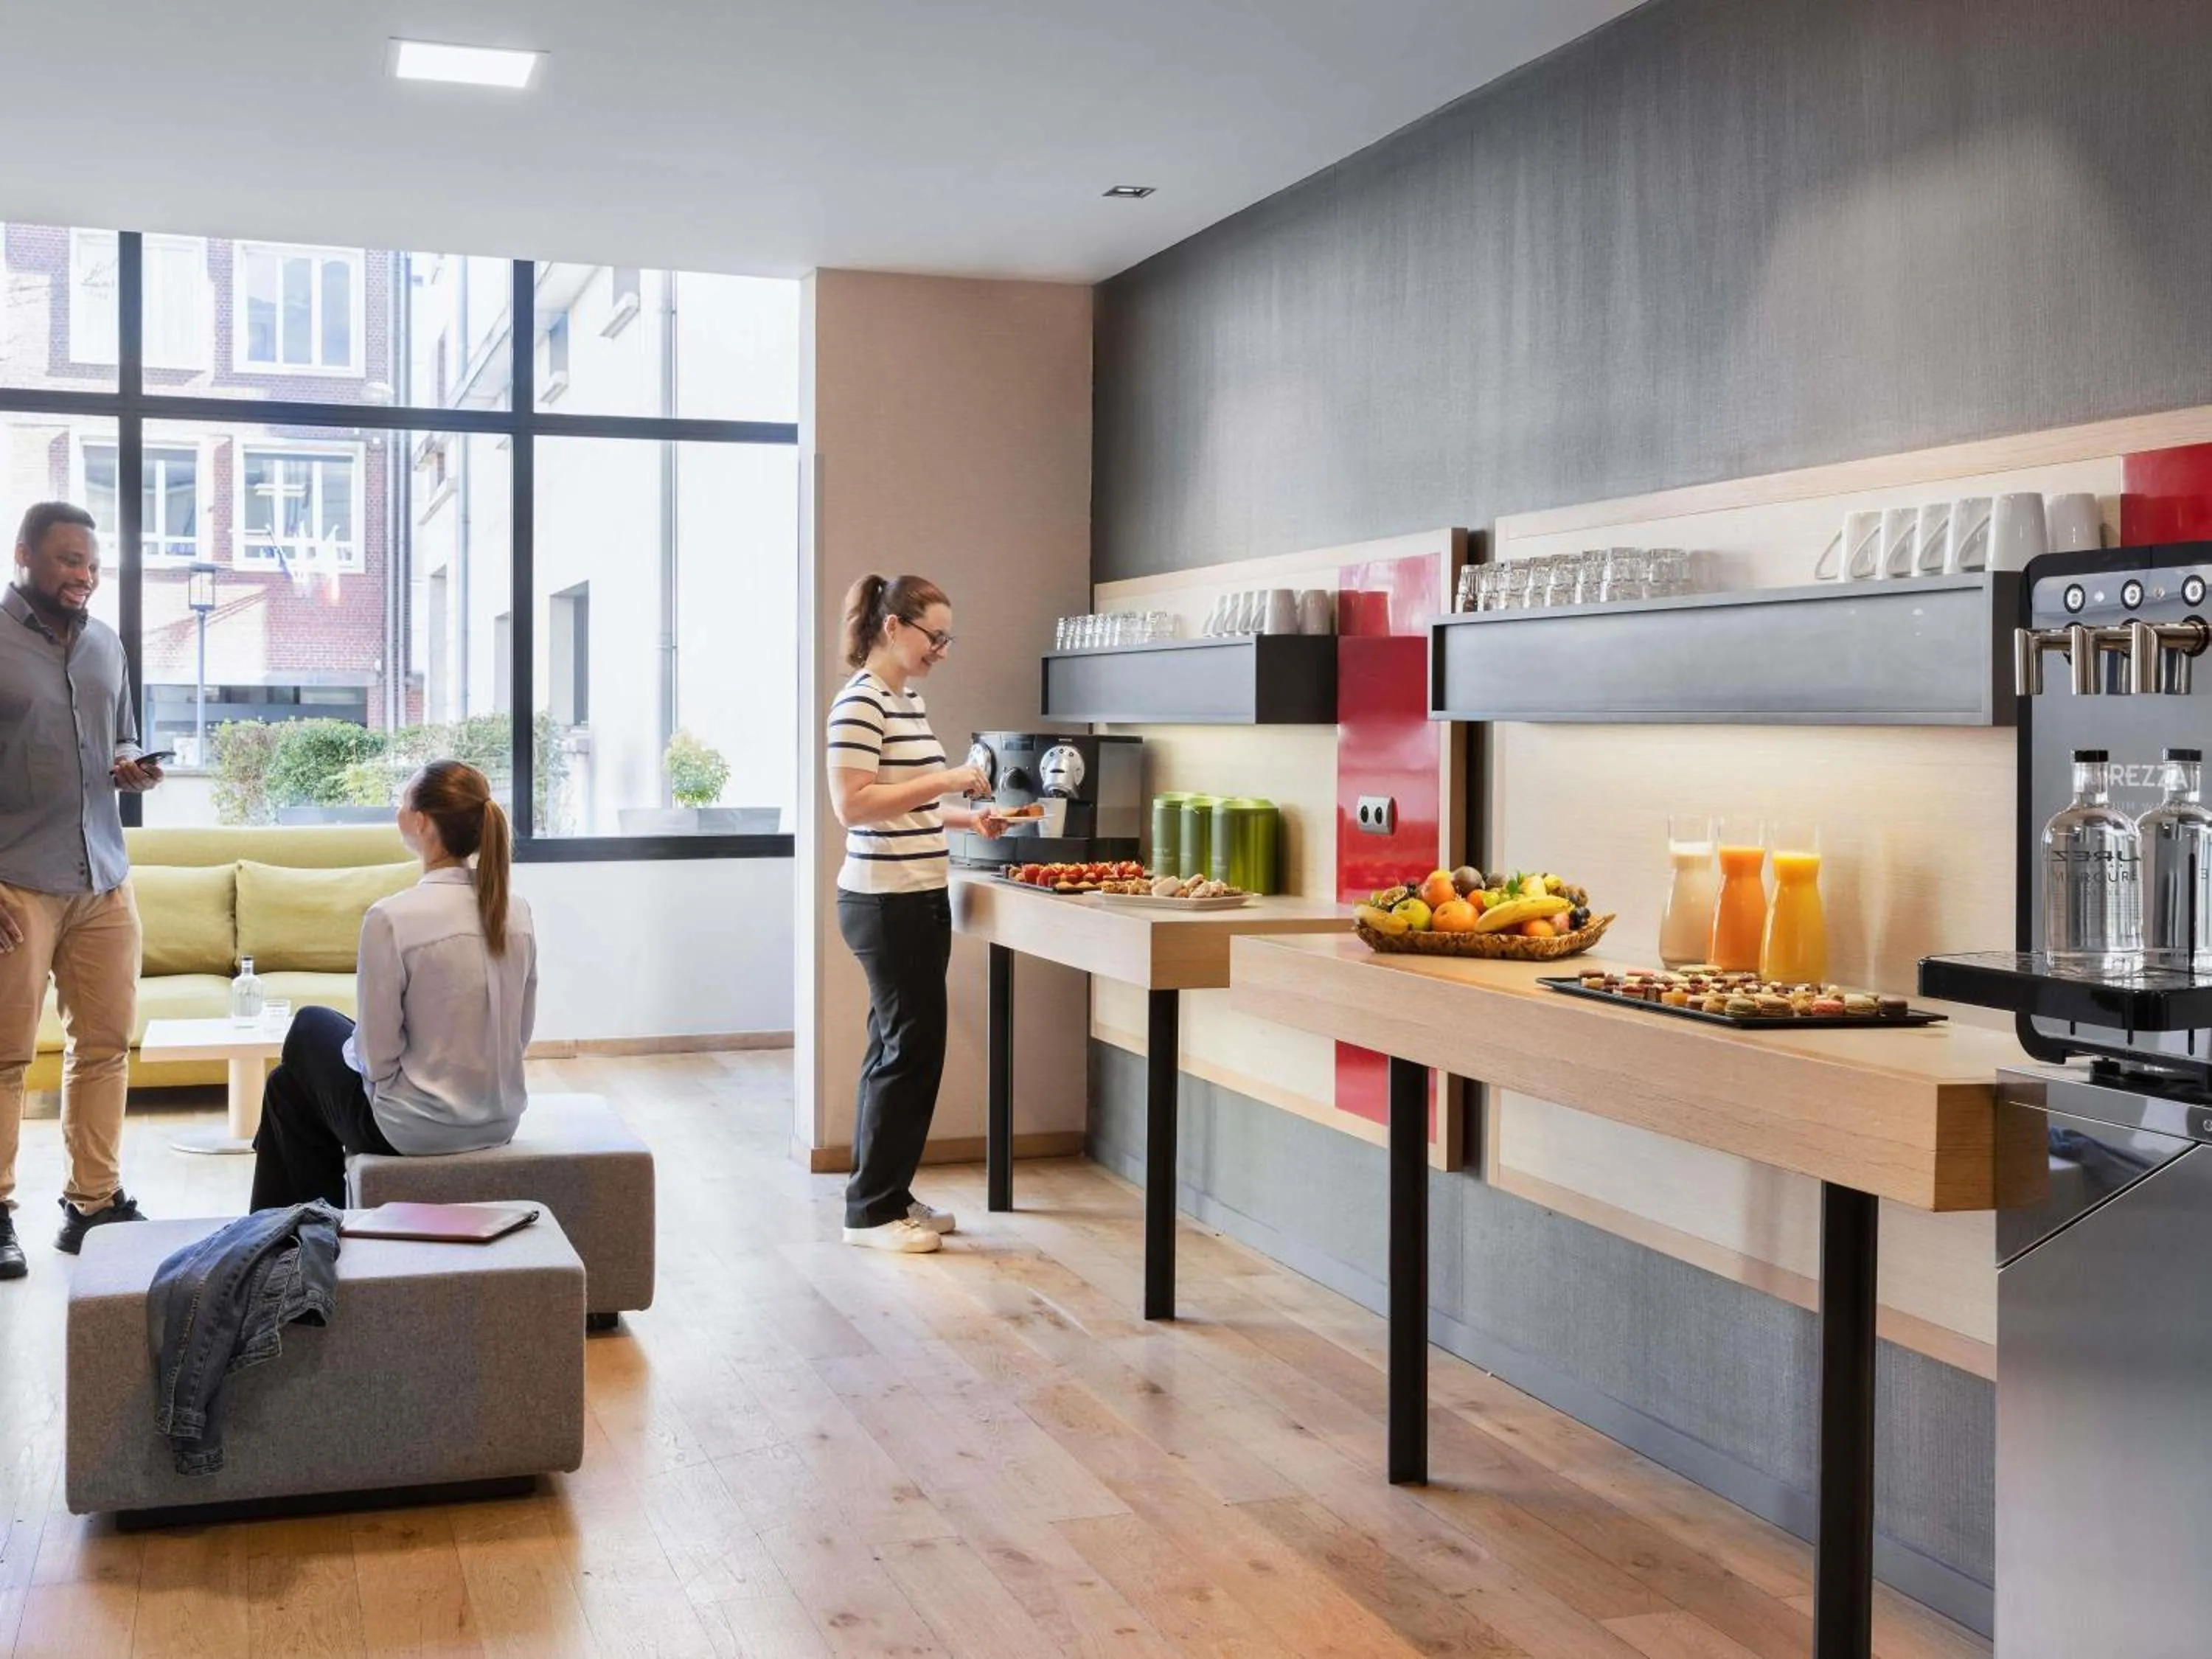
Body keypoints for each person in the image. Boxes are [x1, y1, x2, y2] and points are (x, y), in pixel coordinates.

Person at [248, 760, 537, 1211]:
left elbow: (377, 1060)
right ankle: (296, 1241)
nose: (398, 810)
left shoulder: (392, 917)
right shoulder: (515, 910)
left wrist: (360, 1054)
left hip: (412, 1130)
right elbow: (520, 1033)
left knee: (308, 1027)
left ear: (421, 822)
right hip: (500, 1119)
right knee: (287, 1086)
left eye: (402, 802)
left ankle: (292, 1247)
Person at [0, 502, 164, 1280]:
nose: (83, 577)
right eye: (69, 560)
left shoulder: (105, 645)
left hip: (104, 875)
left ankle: (91, 1204)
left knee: (103, 1049)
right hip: (16, 883)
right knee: (4, 1057)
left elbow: (123, 730)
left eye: (94, 566)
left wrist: (134, 763)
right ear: (25, 554)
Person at [827, 574, 1005, 1253]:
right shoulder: (861, 704)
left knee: (902, 1050)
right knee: (908, 1052)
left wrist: (968, 818)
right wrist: (951, 778)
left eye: (948, 638)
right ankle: (870, 1213)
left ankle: (887, 1195)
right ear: (894, 627)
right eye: (936, 637)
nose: (943, 650)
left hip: (919, 891)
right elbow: (854, 804)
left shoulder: (907, 701)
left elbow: (910, 799)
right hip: (885, 898)